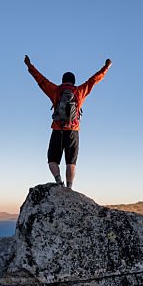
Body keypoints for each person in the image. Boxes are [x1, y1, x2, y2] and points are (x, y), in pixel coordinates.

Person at [24, 55, 111, 189]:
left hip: (57, 129)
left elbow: (40, 80)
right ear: (74, 81)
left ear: (63, 80)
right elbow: (94, 80)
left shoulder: (55, 90)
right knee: (71, 163)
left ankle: (59, 182)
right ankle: (69, 188)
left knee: (52, 160)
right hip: (73, 130)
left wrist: (29, 66)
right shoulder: (79, 91)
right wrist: (106, 67)